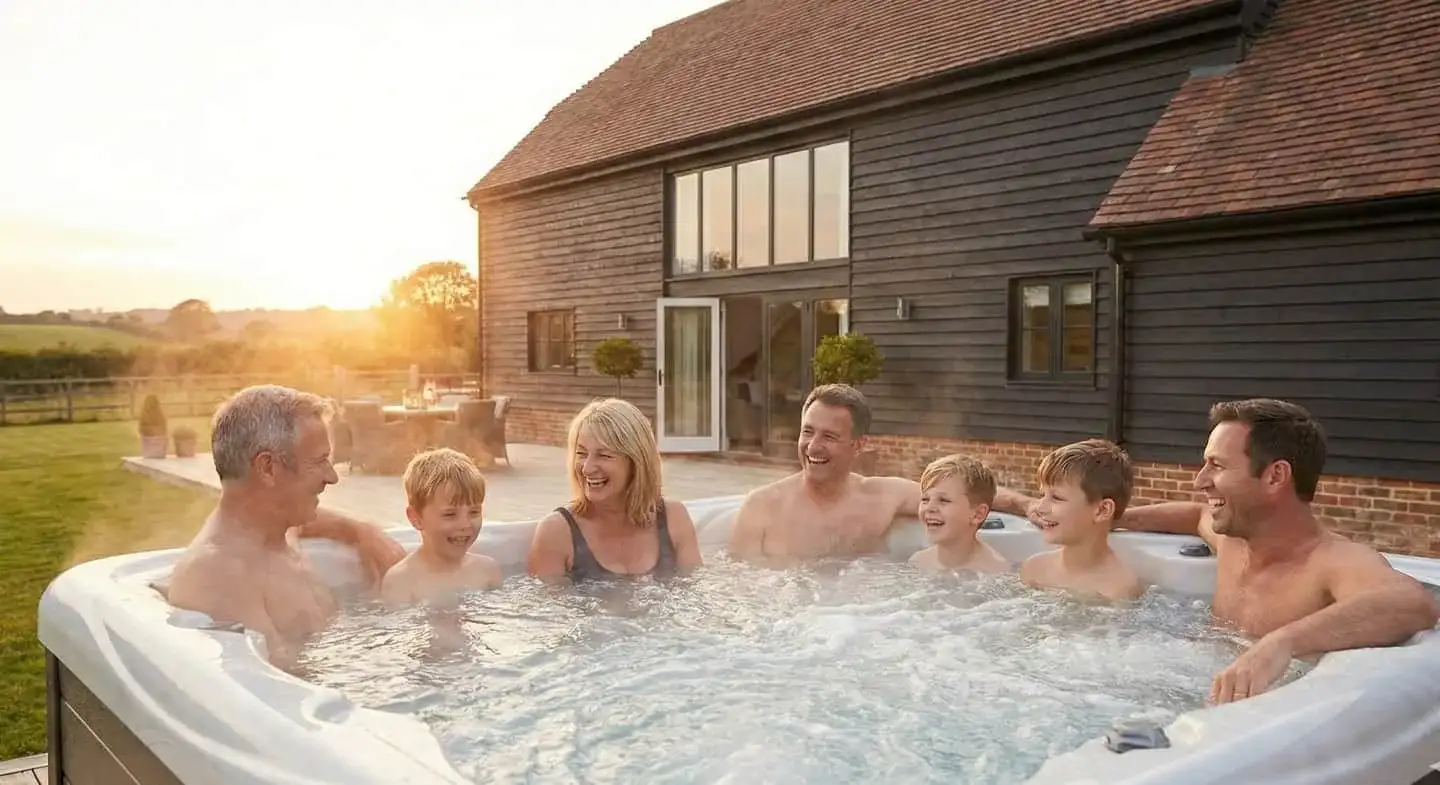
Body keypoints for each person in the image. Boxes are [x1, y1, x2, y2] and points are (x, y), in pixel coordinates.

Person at [993, 398, 1439, 704]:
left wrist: (1282, 642)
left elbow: (1412, 602)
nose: (1200, 479)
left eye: (1217, 466)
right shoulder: (1228, 537)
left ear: (1275, 477)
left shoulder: (1333, 560)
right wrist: (1108, 517)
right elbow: (1190, 514)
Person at [166, 385, 405, 672]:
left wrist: (361, 531)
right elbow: (278, 694)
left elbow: (314, 521)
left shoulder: (279, 530)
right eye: (318, 462)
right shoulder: (219, 576)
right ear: (268, 467)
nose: (331, 477)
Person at [728, 384, 920, 565]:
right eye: (808, 432)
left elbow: (946, 497)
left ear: (859, 444)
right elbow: (739, 587)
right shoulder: (762, 507)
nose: (813, 446)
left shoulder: (883, 497)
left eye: (829, 437)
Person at [526, 398, 703, 582]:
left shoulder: (674, 518)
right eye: (581, 454)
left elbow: (695, 597)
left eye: (604, 455)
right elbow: (548, 608)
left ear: (636, 462)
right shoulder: (557, 532)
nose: (587, 468)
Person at [1018, 439, 1145, 601]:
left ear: (1102, 510)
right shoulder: (1033, 570)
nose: (1040, 508)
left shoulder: (1118, 588)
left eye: (1057, 498)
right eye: (1043, 495)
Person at [380, 448, 501, 608]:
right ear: (415, 518)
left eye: (474, 512)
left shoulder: (487, 570)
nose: (465, 524)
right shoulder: (402, 581)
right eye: (450, 514)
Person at [909, 454, 1010, 574]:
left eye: (943, 500)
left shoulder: (996, 570)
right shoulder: (918, 563)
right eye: (925, 499)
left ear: (977, 514)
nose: (930, 508)